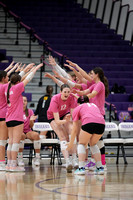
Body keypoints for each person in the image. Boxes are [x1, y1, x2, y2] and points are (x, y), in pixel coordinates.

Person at [5, 63, 43, 172]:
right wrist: (35, 69)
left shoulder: (7, 88)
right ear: (17, 82)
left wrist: (24, 71)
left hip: (8, 119)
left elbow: (19, 78)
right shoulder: (17, 88)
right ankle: (13, 165)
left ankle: (9, 164)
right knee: (15, 142)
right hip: (17, 119)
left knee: (11, 142)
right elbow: (28, 78)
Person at [73, 67, 109, 171]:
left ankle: (102, 164)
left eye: (92, 73)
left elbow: (91, 94)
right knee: (94, 142)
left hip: (98, 114)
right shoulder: (94, 85)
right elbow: (85, 92)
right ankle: (98, 164)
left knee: (98, 142)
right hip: (93, 114)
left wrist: (82, 98)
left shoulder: (100, 84)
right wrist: (77, 93)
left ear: (97, 74)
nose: (90, 75)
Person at [67, 95, 105, 175]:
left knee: (81, 143)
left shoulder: (77, 108)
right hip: (101, 124)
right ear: (88, 101)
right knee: (93, 144)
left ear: (78, 103)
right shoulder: (94, 105)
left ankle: (81, 168)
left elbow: (74, 129)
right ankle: (100, 167)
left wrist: (71, 143)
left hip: (89, 123)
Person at [47, 84, 78, 173]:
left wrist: (70, 121)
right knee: (62, 136)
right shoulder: (55, 99)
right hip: (52, 117)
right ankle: (67, 161)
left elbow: (72, 116)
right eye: (65, 92)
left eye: (68, 92)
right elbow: (57, 121)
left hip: (64, 114)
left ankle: (74, 159)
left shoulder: (71, 98)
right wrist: (65, 122)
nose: (67, 93)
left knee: (72, 132)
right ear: (60, 92)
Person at [18, 96, 41, 166]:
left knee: (36, 135)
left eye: (25, 100)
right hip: (19, 131)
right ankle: (20, 158)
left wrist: (31, 120)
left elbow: (31, 126)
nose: (23, 102)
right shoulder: (16, 110)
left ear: (27, 102)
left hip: (28, 131)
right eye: (22, 100)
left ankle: (37, 157)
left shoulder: (30, 111)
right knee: (21, 135)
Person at [0, 71, 9, 171]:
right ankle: (2, 163)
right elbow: (18, 82)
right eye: (7, 77)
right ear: (3, 78)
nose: (8, 78)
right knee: (2, 142)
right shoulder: (5, 86)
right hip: (3, 115)